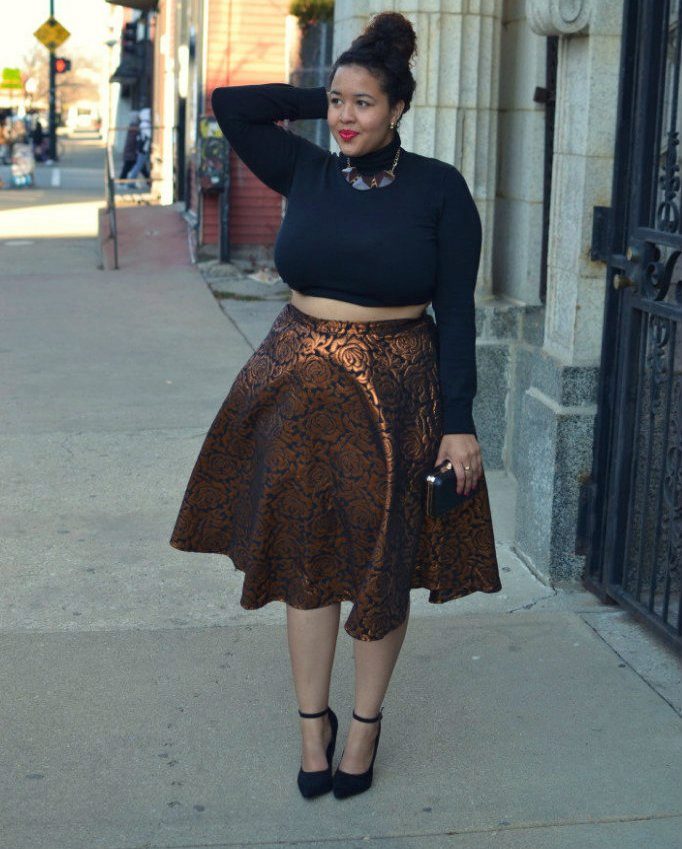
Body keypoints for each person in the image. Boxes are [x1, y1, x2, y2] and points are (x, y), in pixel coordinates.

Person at [170, 11, 502, 800]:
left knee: (382, 562)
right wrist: (328, 92)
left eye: (364, 103)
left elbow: (457, 312)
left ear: (399, 109)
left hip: (398, 396)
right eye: (337, 102)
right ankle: (310, 722)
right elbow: (231, 104)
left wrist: (459, 421)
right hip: (298, 388)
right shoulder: (309, 169)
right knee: (305, 559)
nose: (345, 117)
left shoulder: (439, 189)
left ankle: (364, 724)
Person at [119, 113, 140, 180]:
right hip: (131, 152)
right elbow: (131, 141)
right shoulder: (135, 127)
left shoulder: (133, 127)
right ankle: (122, 181)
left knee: (129, 167)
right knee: (128, 167)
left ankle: (123, 181)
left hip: (131, 152)